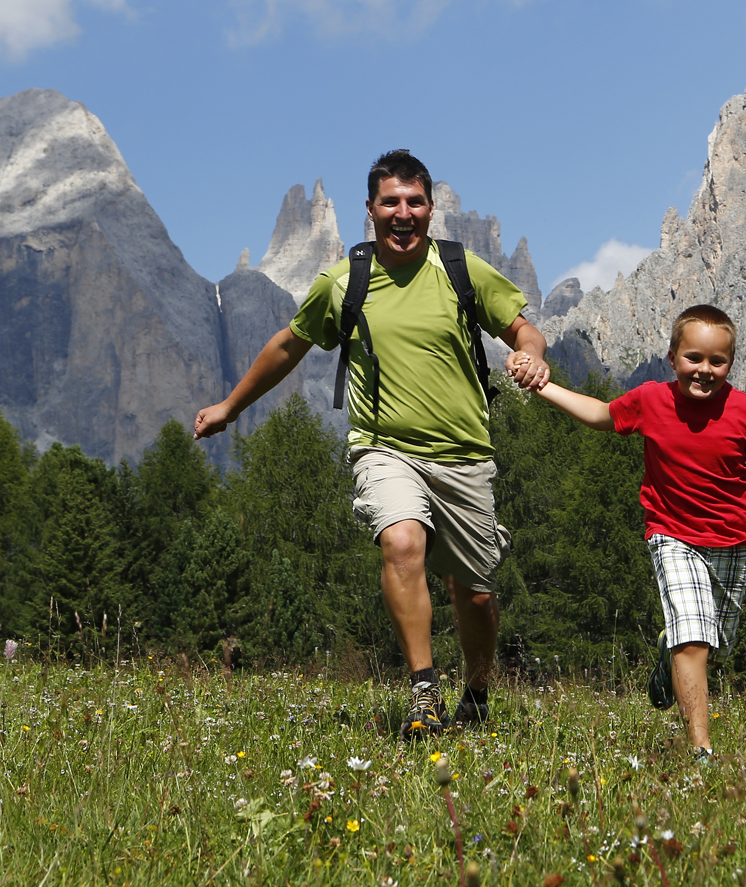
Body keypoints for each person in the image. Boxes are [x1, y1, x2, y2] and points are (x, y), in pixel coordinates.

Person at [194, 149, 550, 737]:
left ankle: (478, 695)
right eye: (391, 202)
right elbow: (290, 344)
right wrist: (231, 407)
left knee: (477, 596)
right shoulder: (345, 280)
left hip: (465, 454)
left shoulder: (462, 268)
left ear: (431, 210)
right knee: (401, 543)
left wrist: (530, 356)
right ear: (370, 210)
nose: (402, 213)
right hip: (385, 449)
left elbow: (522, 328)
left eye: (414, 202)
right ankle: (424, 692)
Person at [521, 304, 746, 763]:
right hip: (672, 535)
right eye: (694, 358)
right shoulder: (651, 399)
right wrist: (543, 385)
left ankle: (666, 650)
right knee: (693, 638)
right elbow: (599, 414)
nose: (705, 370)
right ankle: (701, 748)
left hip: (735, 543)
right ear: (672, 358)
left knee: (712, 647)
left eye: (718, 361)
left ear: (730, 364)